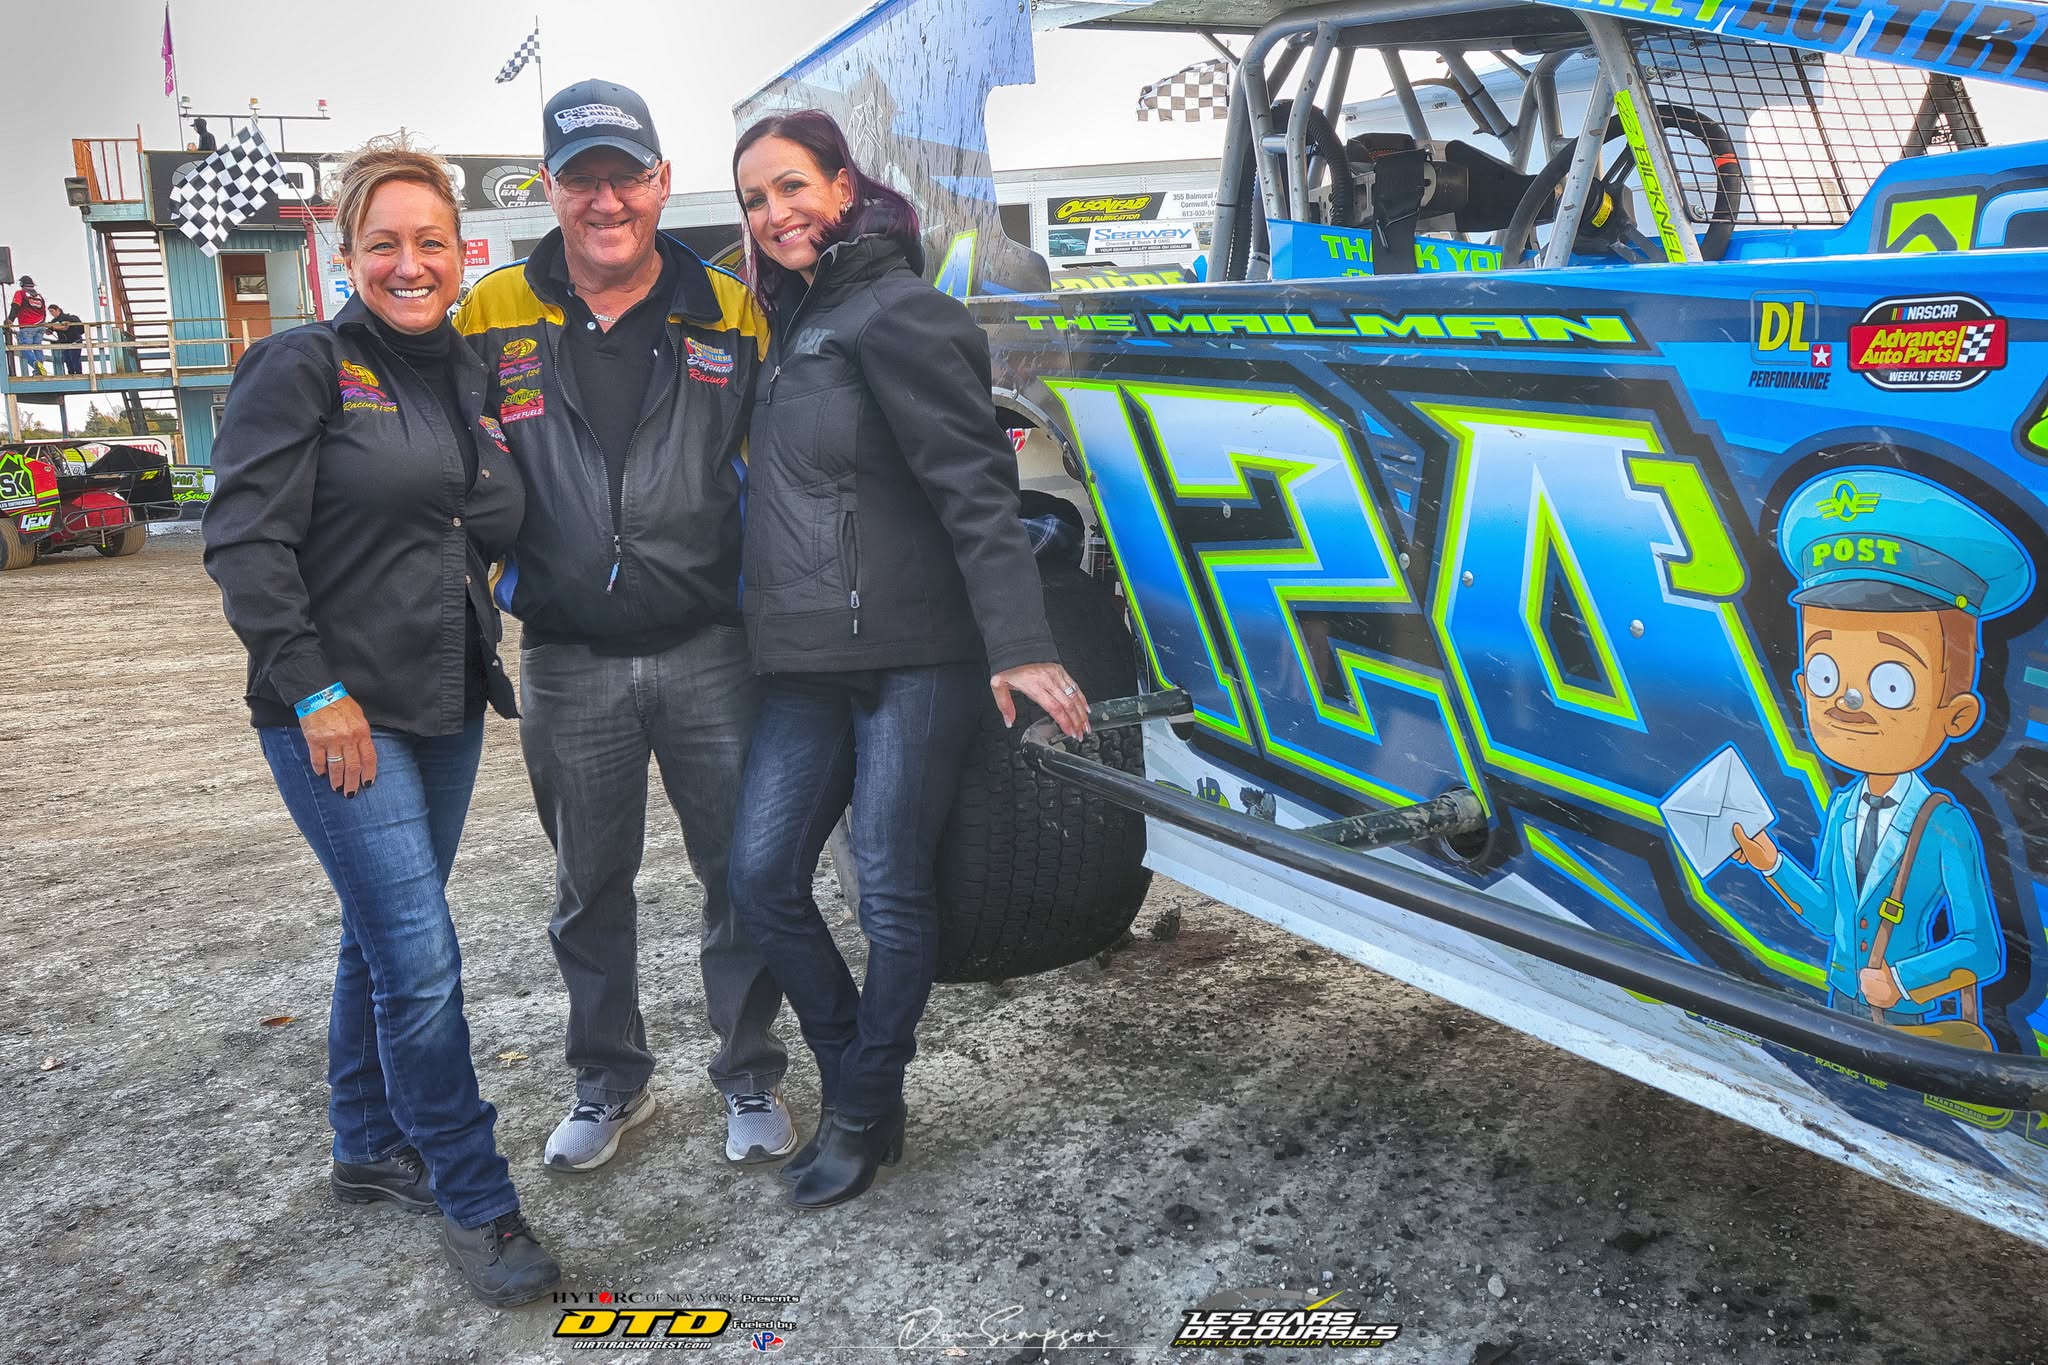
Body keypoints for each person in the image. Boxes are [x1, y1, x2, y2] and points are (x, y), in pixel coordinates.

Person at [203, 137, 559, 1308]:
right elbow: (245, 542)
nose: (410, 265)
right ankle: (474, 1194)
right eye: (383, 245)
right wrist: (312, 686)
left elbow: (480, 520)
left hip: (445, 698)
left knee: (380, 929)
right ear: (344, 255)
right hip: (335, 715)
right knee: (420, 961)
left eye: (430, 244)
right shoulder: (299, 364)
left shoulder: (468, 371)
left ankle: (365, 1141)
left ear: (463, 254)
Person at [727, 110, 1091, 1209]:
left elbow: (978, 491)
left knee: (888, 880)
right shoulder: (795, 322)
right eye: (753, 199)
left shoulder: (900, 310)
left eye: (792, 187)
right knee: (759, 876)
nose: (775, 214)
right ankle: (860, 1077)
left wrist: (1020, 644)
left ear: (842, 187)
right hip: (803, 657)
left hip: (911, 656)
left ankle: (857, 1105)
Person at [455, 80, 791, 1173]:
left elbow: (784, 461)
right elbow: (443, 460)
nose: (605, 201)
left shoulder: (729, 307)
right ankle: (610, 1084)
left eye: (624, 176)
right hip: (567, 658)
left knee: (740, 873)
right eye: (580, 178)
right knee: (585, 888)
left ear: (659, 181)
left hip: (710, 651)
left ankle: (747, 1075)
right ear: (547, 187)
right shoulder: (488, 312)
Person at [1731, 467, 2022, 1045]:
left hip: (1908, 1020)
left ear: (1957, 715)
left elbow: (1982, 950)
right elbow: (1830, 915)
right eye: (1824, 673)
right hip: (1840, 1002)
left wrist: (1904, 981)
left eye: (1893, 683)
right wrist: (1771, 864)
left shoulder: (1942, 825)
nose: (1848, 699)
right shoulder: (1843, 807)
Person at [7, 275, 48, 376]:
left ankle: (35, 364)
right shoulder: (39, 297)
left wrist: (9, 320)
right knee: (37, 347)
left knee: (24, 347)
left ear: (21, 284)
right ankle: (39, 371)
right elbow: (44, 312)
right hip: (40, 325)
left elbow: (15, 307)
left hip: (27, 326)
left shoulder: (20, 293)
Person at [47, 306, 84, 376]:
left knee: (74, 358)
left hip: (75, 340)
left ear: (57, 310)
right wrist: (45, 327)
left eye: (52, 311)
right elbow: (49, 332)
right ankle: (71, 374)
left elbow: (65, 327)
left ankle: (79, 374)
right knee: (67, 359)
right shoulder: (54, 321)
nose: (51, 313)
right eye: (50, 312)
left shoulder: (66, 317)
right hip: (64, 342)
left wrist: (52, 327)